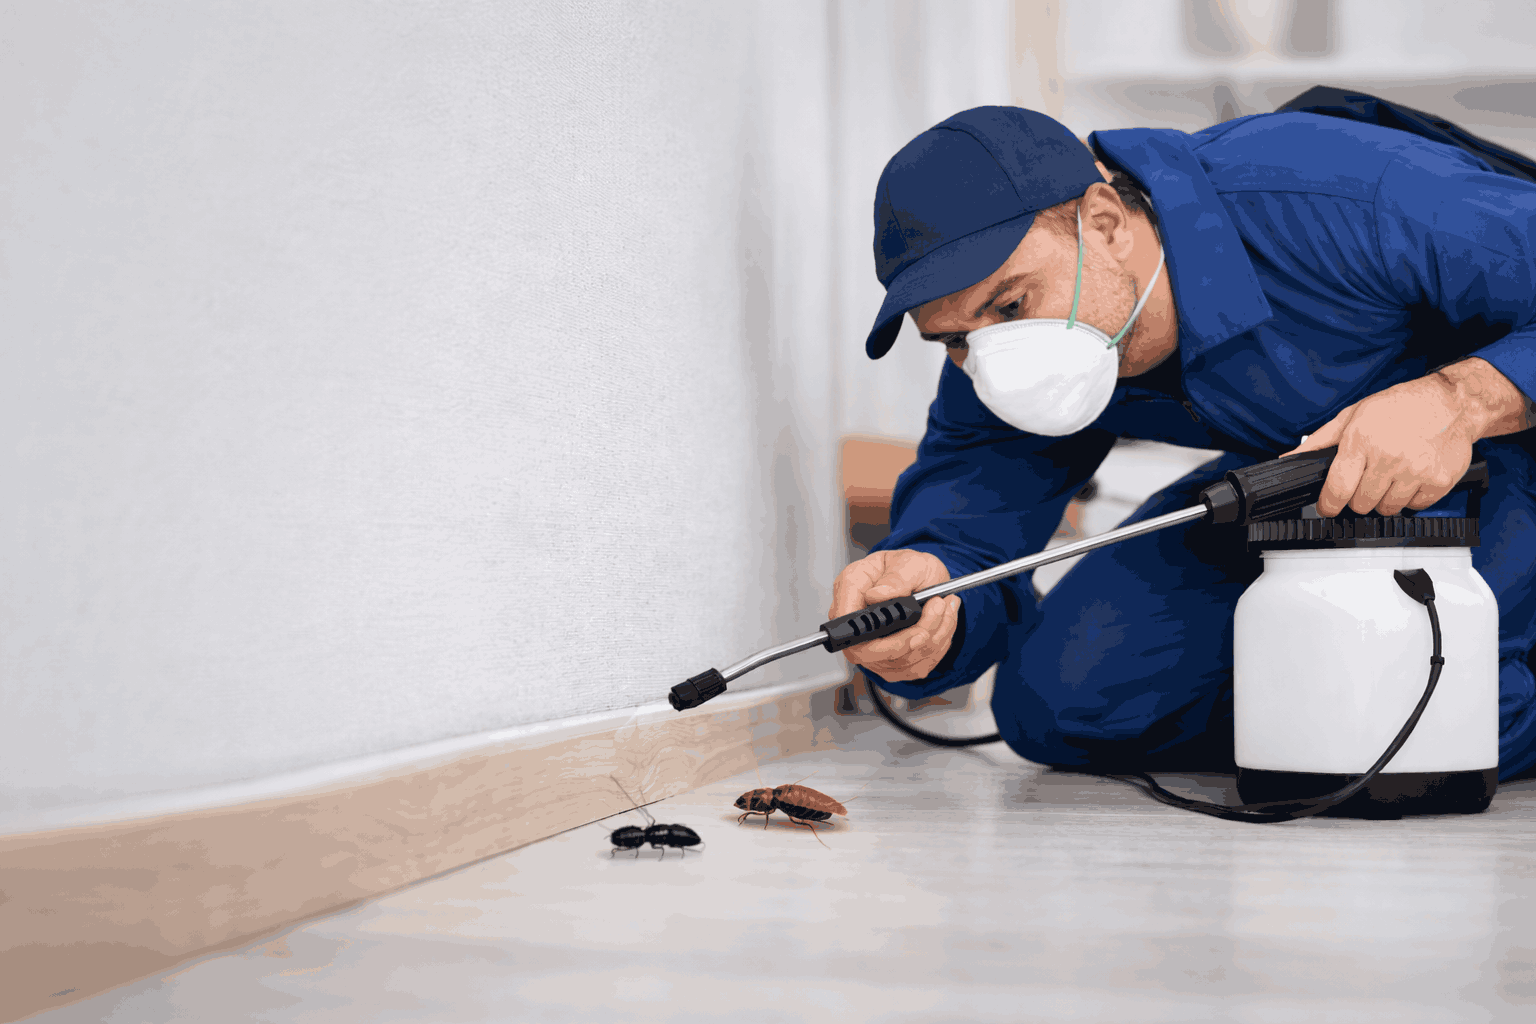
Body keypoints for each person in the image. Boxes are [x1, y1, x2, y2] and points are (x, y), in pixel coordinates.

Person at [832, 105, 1536, 781]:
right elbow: (970, 539)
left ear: (1104, 223)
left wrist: (1463, 400)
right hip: (1315, 493)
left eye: (1012, 306)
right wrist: (928, 598)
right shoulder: (996, 368)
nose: (991, 354)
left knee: (1429, 729)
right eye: (954, 337)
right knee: (1064, 704)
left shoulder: (1335, 194)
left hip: (1501, 460)